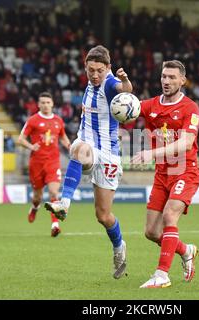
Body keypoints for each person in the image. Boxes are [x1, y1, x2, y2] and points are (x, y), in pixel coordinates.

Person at [44, 45, 132, 279]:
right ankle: (64, 204)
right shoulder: (90, 84)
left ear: (108, 68)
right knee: (78, 149)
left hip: (109, 155)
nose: (94, 75)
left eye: (99, 70)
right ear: (85, 67)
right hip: (88, 147)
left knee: (103, 215)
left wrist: (125, 81)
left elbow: (124, 90)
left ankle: (119, 246)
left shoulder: (109, 83)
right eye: (90, 70)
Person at [131, 60, 199, 288]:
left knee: (170, 215)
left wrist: (152, 153)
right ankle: (185, 249)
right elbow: (128, 104)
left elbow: (186, 142)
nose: (166, 81)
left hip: (185, 171)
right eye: (163, 76)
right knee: (151, 232)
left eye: (172, 77)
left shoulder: (190, 107)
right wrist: (122, 84)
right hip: (162, 175)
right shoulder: (150, 105)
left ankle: (162, 274)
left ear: (182, 80)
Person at [18, 92, 71, 237]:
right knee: (37, 197)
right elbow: (20, 139)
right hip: (36, 163)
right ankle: (35, 207)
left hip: (53, 162)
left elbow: (63, 136)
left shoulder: (58, 121)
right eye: (43, 102)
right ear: (38, 104)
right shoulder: (33, 120)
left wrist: (70, 147)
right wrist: (31, 146)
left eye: (48, 102)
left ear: (52, 104)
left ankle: (55, 225)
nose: (46, 105)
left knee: (54, 192)